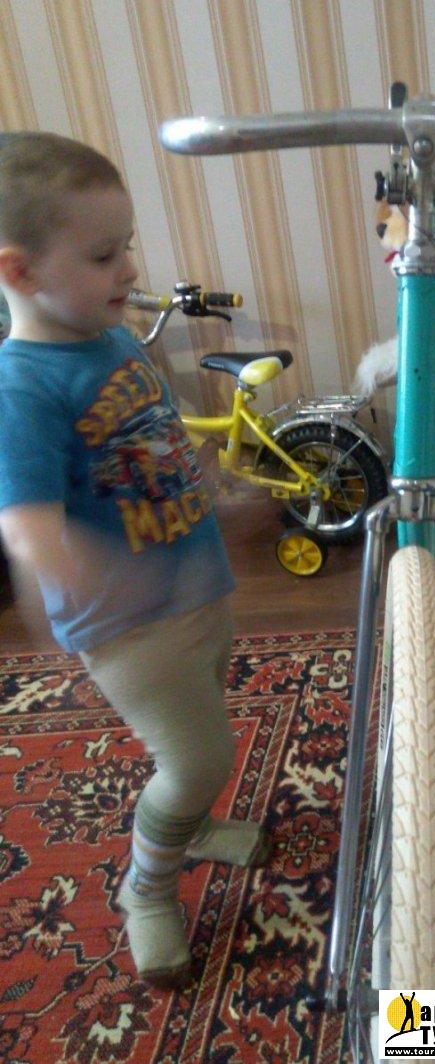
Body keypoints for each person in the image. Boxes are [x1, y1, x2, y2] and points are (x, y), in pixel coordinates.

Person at [0, 131, 268, 988]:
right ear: (19, 272)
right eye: (102, 255)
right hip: (129, 626)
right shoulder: (22, 386)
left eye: (127, 245)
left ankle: (193, 831)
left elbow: (146, 428)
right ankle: (145, 889)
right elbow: (25, 524)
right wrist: (87, 571)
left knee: (208, 718)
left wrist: (201, 473)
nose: (128, 269)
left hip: (196, 588)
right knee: (196, 760)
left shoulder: (110, 337)